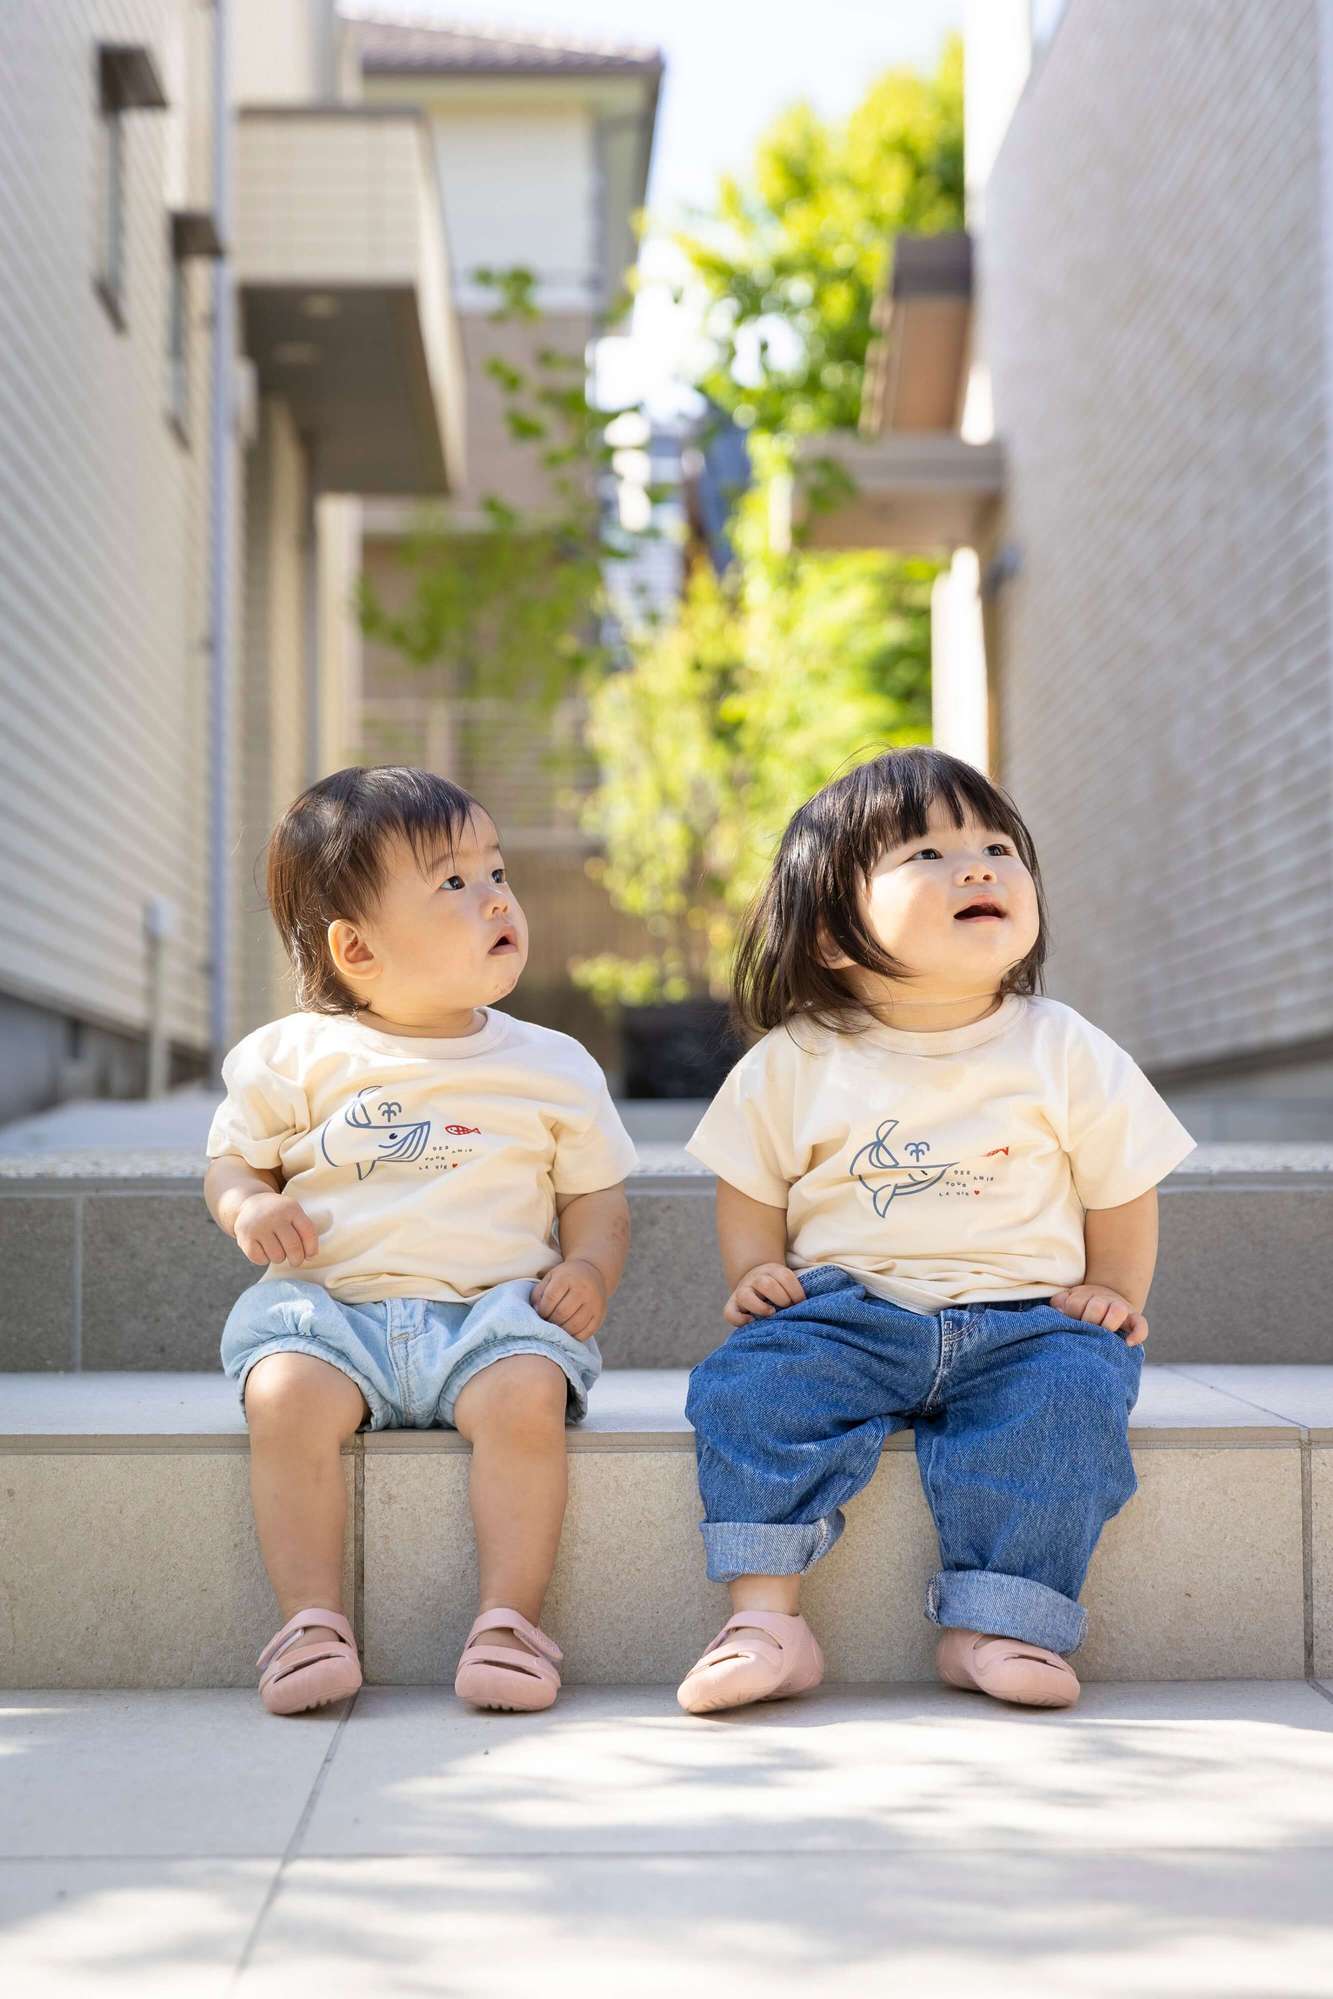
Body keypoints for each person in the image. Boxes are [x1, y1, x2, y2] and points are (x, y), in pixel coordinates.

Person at [677, 746, 1196, 1716]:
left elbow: (1122, 1182)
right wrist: (753, 1268)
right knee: (749, 1386)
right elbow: (749, 1180)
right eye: (926, 854)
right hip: (846, 1314)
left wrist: (1113, 1289)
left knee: (1069, 1404)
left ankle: (1001, 1621)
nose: (978, 867)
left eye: (998, 846)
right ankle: (764, 1617)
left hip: (1027, 1320)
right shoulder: (800, 1056)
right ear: (831, 934)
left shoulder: (1062, 1044)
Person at [204, 766, 636, 1717]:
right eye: (452, 882)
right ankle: (311, 1618)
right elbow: (234, 1165)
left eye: (496, 870)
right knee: (283, 1393)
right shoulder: (297, 1056)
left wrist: (588, 1266)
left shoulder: (550, 1064)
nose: (495, 896)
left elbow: (597, 1197)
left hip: (490, 1317)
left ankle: (508, 1621)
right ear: (356, 948)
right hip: (331, 1314)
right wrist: (246, 1208)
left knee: (527, 1394)